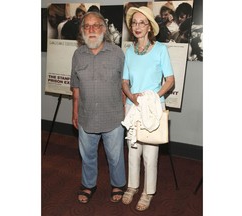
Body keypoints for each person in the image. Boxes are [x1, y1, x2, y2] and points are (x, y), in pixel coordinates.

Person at [121, 6, 175, 211]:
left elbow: (170, 80)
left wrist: (154, 97)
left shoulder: (161, 49)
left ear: (150, 26)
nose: (137, 26)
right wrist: (131, 96)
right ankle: (132, 187)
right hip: (132, 107)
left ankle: (147, 192)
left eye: (142, 22)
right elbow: (125, 81)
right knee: (133, 152)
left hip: (153, 109)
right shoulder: (129, 51)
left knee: (150, 155)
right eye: (134, 22)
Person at [70, 11, 126, 204]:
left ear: (103, 29)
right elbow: (75, 87)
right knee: (87, 155)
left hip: (113, 116)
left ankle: (118, 183)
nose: (91, 30)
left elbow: (125, 85)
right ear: (82, 30)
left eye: (96, 26)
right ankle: (88, 184)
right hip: (86, 115)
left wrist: (125, 112)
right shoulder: (78, 55)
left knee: (115, 156)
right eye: (87, 26)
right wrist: (75, 111)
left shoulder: (117, 53)